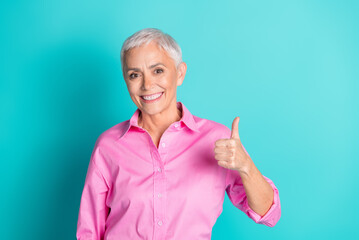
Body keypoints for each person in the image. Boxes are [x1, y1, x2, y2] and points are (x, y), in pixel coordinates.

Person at [76, 28, 281, 240]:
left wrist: (245, 166)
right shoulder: (108, 146)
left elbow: (269, 214)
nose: (147, 85)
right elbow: (89, 232)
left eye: (158, 71)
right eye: (135, 75)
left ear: (180, 73)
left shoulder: (217, 139)